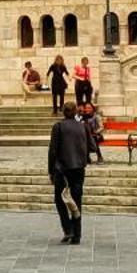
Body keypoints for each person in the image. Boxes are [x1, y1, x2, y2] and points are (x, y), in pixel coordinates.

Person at [47, 103, 90, 245]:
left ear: (63, 112)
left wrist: (51, 171)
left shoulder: (58, 127)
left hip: (62, 169)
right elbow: (91, 146)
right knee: (77, 199)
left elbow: (53, 150)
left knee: (60, 199)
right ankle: (77, 235)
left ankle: (68, 229)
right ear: (75, 111)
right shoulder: (83, 126)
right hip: (79, 168)